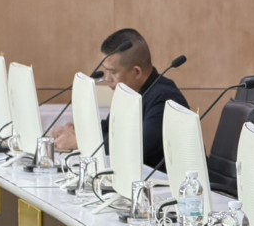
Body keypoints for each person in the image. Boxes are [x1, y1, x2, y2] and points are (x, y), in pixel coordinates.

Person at [53, 28, 188, 168]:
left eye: (112, 72)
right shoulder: (129, 93)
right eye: (105, 71)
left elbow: (136, 149)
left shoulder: (164, 98)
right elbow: (108, 130)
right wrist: (79, 132)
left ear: (136, 72)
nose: (107, 79)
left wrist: (80, 142)